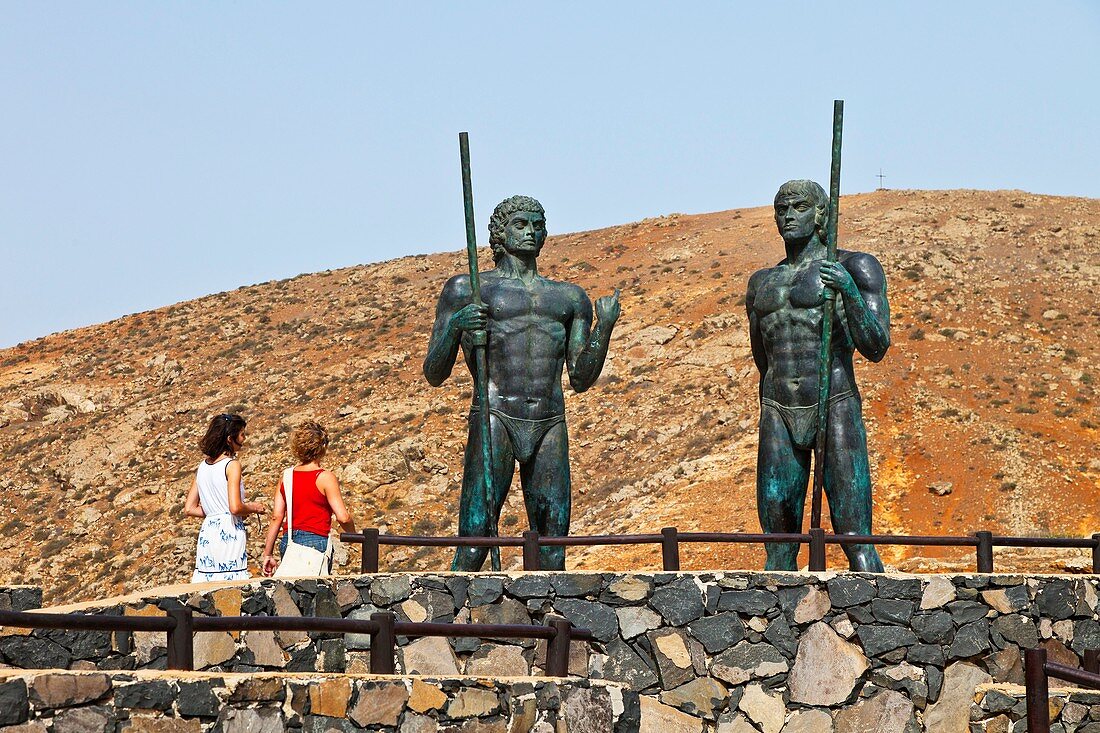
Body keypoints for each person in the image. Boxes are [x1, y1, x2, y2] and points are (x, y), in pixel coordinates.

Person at [423, 195, 620, 570]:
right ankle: (447, 626)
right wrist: (456, 327)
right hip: (495, 415)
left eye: (538, 224)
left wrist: (604, 328)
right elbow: (434, 372)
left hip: (549, 420)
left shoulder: (568, 297)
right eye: (521, 224)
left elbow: (580, 377)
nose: (531, 232)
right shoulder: (468, 289)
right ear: (499, 232)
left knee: (551, 545)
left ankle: (550, 622)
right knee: (475, 540)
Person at [745, 180, 890, 572]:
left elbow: (877, 345)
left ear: (822, 213)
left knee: (856, 540)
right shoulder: (761, 283)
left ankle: (876, 623)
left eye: (799, 206)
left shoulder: (854, 266)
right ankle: (774, 629)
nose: (788, 215)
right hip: (777, 407)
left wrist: (849, 293)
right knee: (778, 548)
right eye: (781, 208)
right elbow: (763, 357)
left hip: (834, 401)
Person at [261, 421, 355, 577]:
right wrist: (353, 534)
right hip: (316, 541)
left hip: (289, 541)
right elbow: (343, 517)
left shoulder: (286, 476)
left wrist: (267, 554)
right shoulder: (325, 477)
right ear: (323, 447)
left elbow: (276, 517)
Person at [185, 413, 266, 582]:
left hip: (208, 531)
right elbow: (235, 507)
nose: (244, 439)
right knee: (232, 583)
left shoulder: (203, 467)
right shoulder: (232, 465)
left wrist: (214, 510)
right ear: (230, 439)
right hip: (229, 530)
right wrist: (254, 507)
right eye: (242, 434)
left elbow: (190, 508)